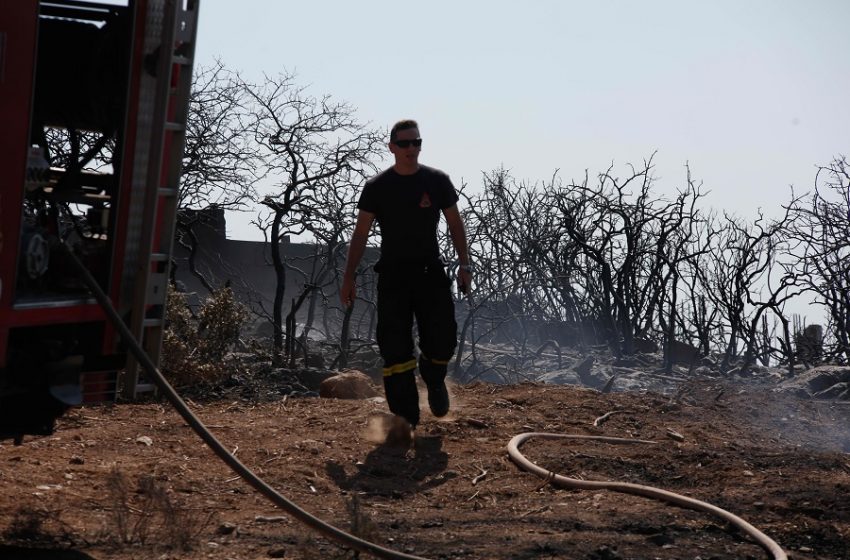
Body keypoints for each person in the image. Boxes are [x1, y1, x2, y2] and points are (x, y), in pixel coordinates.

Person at [341, 119, 472, 434]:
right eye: (404, 144)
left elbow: (455, 223)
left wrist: (465, 265)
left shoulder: (437, 181)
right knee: (395, 349)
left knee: (442, 339)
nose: (411, 149)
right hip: (393, 277)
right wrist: (349, 277)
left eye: (416, 143)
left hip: (431, 273)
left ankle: (435, 378)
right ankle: (405, 420)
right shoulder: (377, 187)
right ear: (392, 147)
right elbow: (360, 235)